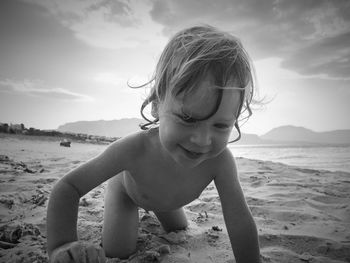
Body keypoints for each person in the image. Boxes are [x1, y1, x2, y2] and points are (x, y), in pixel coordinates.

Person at [47, 24, 261, 263]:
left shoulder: (221, 162)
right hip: (130, 195)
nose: (202, 140)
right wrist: (61, 245)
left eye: (221, 126)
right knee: (119, 251)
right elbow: (68, 187)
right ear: (157, 104)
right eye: (188, 118)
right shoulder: (132, 149)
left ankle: (161, 211)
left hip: (167, 201)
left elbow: (239, 219)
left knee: (179, 229)